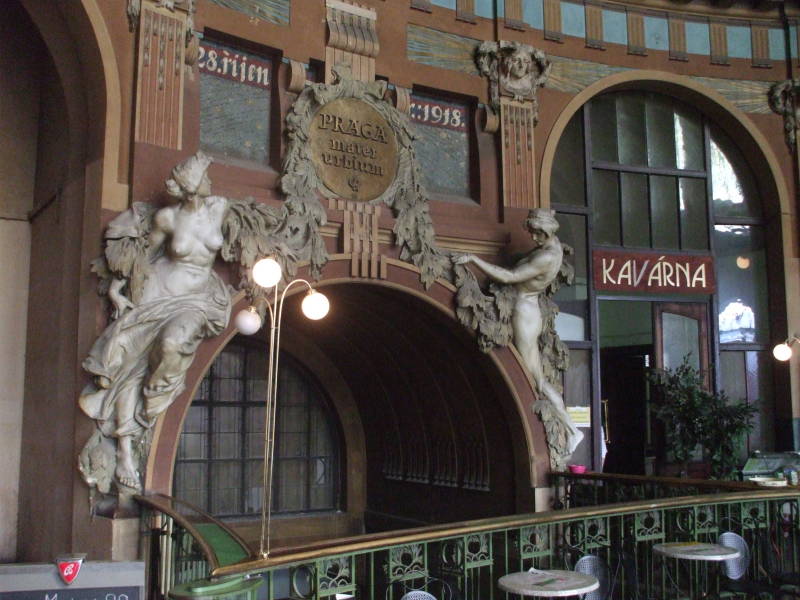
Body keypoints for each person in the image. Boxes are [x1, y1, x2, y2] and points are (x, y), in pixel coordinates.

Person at [79, 151, 231, 490]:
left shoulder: (220, 207)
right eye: (204, 176)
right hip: (159, 292)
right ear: (194, 186)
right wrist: (118, 287)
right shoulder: (167, 218)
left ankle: (151, 405)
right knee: (130, 368)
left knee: (172, 344)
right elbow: (144, 254)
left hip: (198, 298)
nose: (209, 180)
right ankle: (124, 452)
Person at [455, 209, 583, 455]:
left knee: (535, 378)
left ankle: (572, 430)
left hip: (525, 314)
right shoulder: (550, 246)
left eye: (536, 234)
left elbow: (509, 275)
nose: (533, 238)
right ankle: (572, 430)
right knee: (536, 376)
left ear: (545, 231)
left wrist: (474, 259)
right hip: (527, 310)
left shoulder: (547, 257)